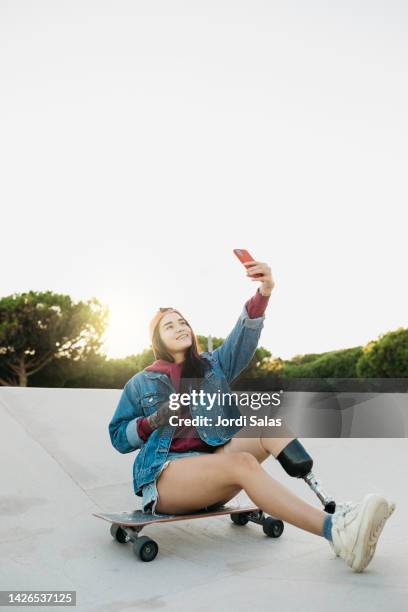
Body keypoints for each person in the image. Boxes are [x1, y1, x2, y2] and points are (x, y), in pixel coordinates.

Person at [109, 259, 395, 573]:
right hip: (167, 479)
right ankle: (337, 532)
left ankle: (334, 505)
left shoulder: (211, 366)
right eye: (169, 325)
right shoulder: (141, 383)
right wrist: (152, 421)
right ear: (157, 340)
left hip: (214, 470)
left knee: (267, 424)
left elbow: (242, 340)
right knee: (242, 463)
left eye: (182, 322)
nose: (179, 328)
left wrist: (265, 290)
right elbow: (118, 437)